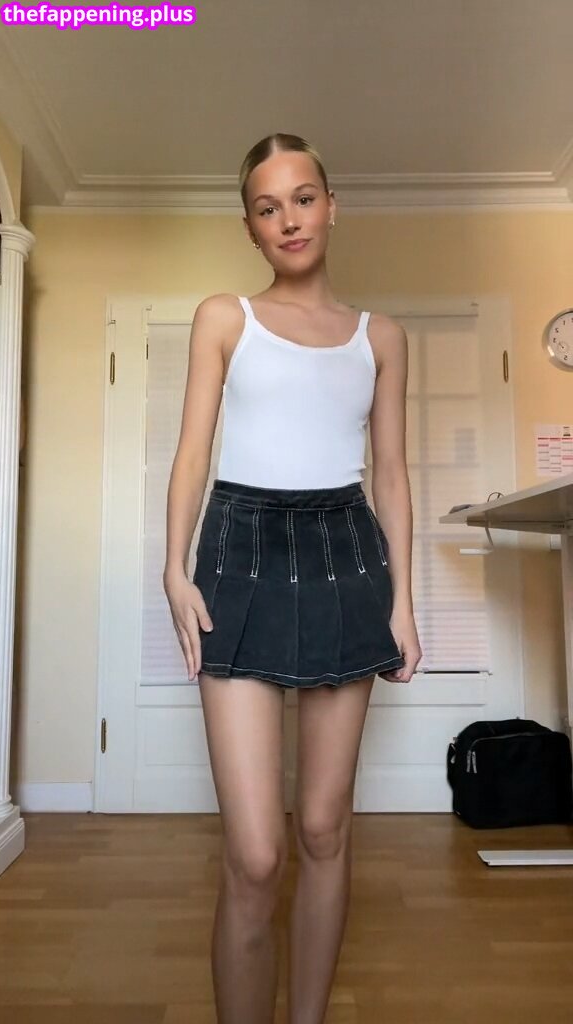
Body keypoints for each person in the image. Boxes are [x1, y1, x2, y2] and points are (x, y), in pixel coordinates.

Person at [163, 132, 422, 1024]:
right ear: (250, 227)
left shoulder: (381, 337)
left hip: (347, 554)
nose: (289, 219)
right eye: (268, 207)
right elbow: (193, 452)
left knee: (321, 828)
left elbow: (392, 476)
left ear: (331, 205)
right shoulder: (223, 317)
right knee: (256, 854)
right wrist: (173, 568)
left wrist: (404, 603)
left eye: (303, 198)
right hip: (237, 554)